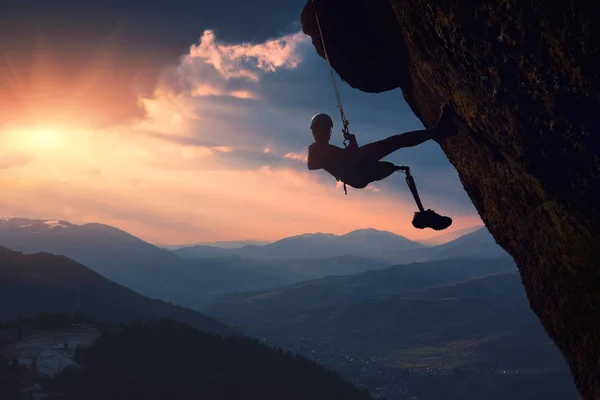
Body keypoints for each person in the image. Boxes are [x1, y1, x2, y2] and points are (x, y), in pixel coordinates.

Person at [307, 104, 458, 189]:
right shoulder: (316, 150)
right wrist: (349, 145)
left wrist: (352, 141)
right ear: (316, 131)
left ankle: (440, 130)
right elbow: (312, 164)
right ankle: (441, 130)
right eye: (325, 129)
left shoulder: (327, 150)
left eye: (328, 129)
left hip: (359, 170)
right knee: (395, 142)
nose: (327, 132)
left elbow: (349, 157)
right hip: (359, 171)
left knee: (395, 143)